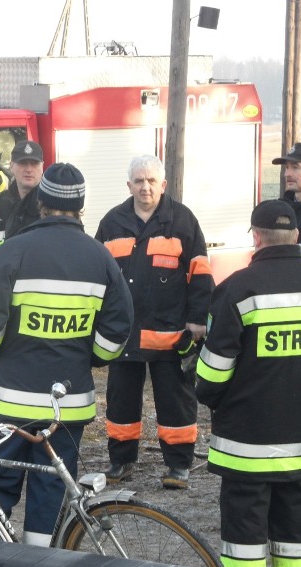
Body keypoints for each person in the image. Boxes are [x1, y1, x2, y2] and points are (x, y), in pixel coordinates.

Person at [0, 163, 133, 545]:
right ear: (81, 207)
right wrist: (90, 357)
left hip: (13, 400)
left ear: (41, 202)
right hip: (68, 404)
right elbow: (117, 328)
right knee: (51, 487)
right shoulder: (100, 257)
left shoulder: (14, 251)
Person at [196, 199, 301, 567]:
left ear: (256, 237)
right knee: (295, 540)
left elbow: (212, 376)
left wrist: (212, 398)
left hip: (247, 447)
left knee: (244, 543)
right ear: (296, 236)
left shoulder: (237, 289)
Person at [95, 155, 214, 489]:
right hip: (124, 336)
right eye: (138, 180)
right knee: (120, 401)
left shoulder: (183, 221)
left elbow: (201, 272)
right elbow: (97, 274)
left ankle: (178, 466)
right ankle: (121, 461)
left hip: (170, 335)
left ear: (163, 185)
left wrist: (196, 320)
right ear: (129, 185)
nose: (144, 187)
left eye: (151, 181)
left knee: (175, 401)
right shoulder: (112, 222)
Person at [0, 139, 43, 276]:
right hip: (0, 289)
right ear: (11, 166)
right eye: (23, 163)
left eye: (34, 164)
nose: (29, 169)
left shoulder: (50, 208)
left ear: (42, 167)